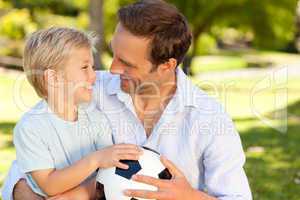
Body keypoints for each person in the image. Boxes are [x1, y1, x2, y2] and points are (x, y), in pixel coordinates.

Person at [2, 0, 252, 199]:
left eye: (127, 63)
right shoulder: (87, 88)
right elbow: (27, 165)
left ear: (166, 66)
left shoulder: (208, 117)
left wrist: (190, 197)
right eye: (113, 54)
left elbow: (237, 196)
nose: (111, 69)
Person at [2, 27, 142, 200]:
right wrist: (96, 159)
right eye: (84, 67)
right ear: (53, 78)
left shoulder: (95, 117)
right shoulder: (30, 127)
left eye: (92, 66)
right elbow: (49, 185)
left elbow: (107, 173)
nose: (93, 76)